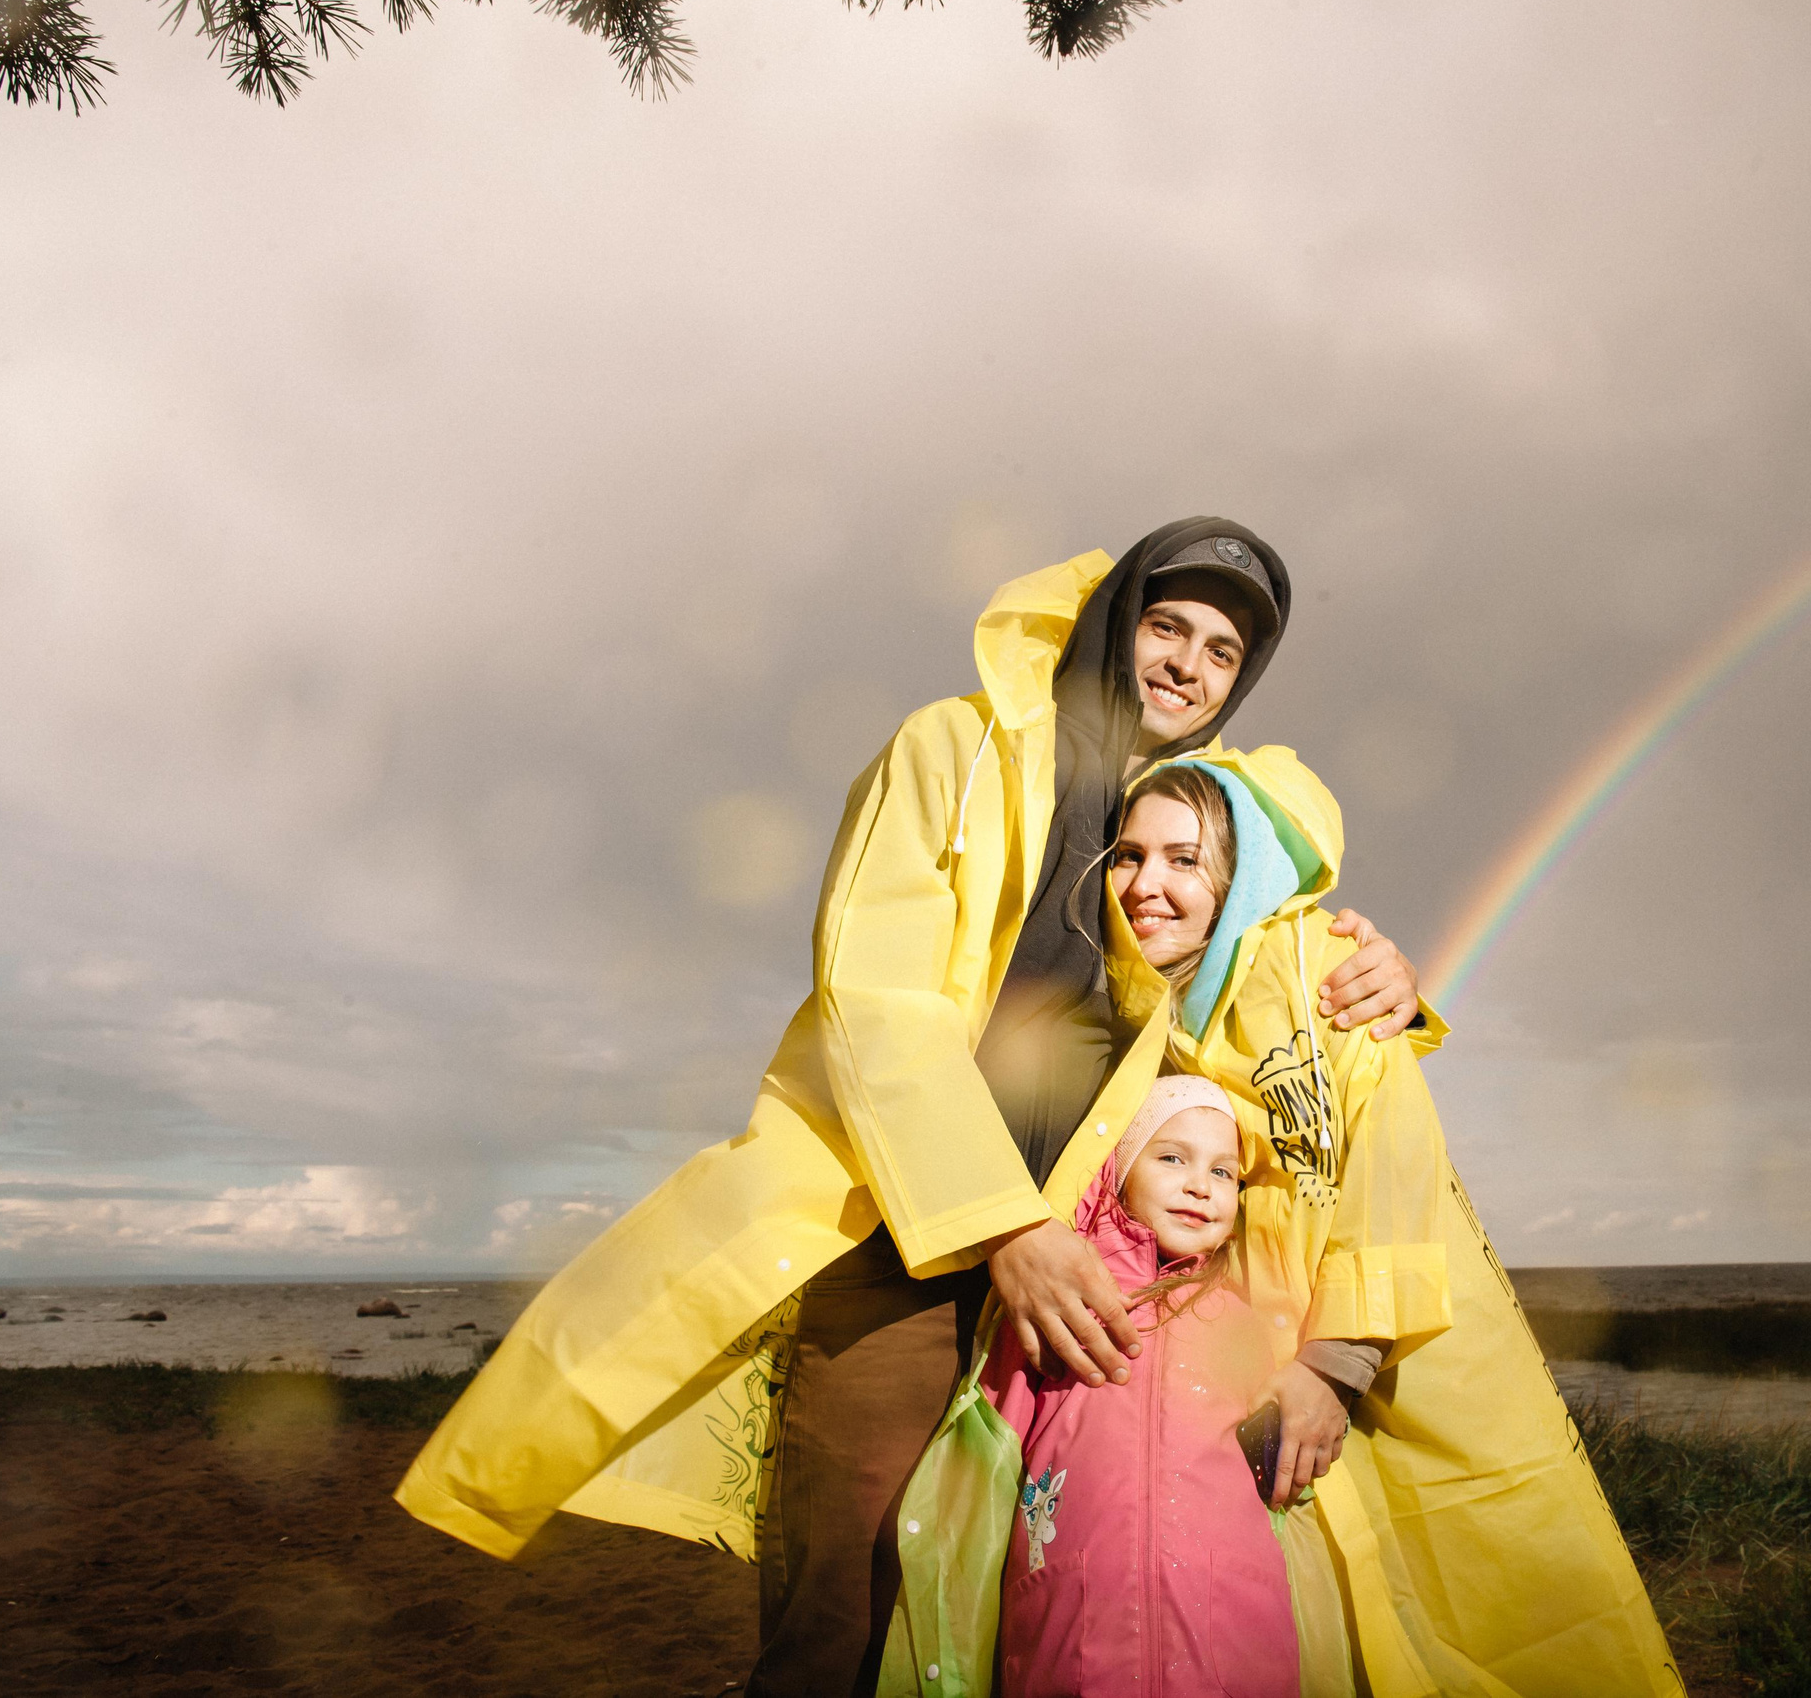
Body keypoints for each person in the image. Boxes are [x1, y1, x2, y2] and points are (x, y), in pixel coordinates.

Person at [391, 522, 1434, 1697]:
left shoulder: (1183, 825)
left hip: (1092, 1267)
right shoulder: (955, 749)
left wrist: (1381, 975)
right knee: (854, 1582)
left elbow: (1259, 1001)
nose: (1190, 663)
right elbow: (874, 999)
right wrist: (1002, 1227)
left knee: (1018, 1587)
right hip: (914, 1237)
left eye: (1224, 652)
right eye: (1166, 625)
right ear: (1110, 619)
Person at [883, 751, 1686, 1698]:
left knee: (1466, 1603)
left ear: (1240, 873)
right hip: (1238, 1391)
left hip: (1368, 1361)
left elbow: (1388, 1164)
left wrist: (1336, 1363)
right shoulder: (1128, 1008)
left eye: (1186, 859)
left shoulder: (1324, 977)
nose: (1147, 885)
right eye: (1130, 857)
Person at [986, 1076, 1298, 1698]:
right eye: (1172, 1158)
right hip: (1072, 1622)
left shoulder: (1248, 1317)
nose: (1199, 1185)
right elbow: (989, 1455)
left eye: (1225, 1172)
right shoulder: (1064, 1298)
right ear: (1119, 1171)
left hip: (1234, 1628)